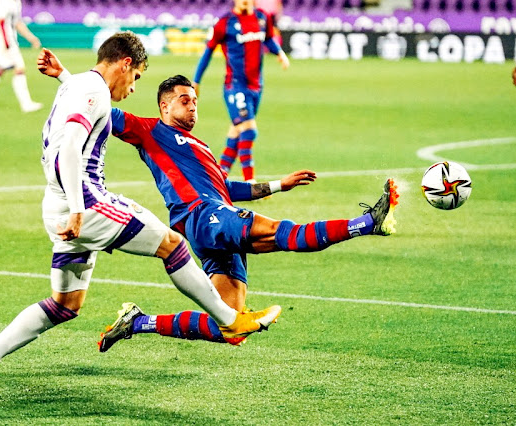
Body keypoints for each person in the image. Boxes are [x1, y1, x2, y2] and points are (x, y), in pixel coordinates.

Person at [0, 33, 281, 408]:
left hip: (58, 206)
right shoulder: (92, 90)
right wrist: (80, 208)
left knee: (65, 305)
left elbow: (87, 109)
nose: (134, 85)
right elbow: (69, 147)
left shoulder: (80, 85)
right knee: (172, 245)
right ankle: (230, 319)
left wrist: (63, 75)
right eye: (138, 76)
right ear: (125, 63)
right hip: (86, 202)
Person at [38, 52, 399, 352]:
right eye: (184, 100)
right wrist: (64, 76)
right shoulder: (148, 130)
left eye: (195, 101)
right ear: (164, 105)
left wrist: (278, 184)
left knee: (231, 324)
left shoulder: (201, 147)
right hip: (201, 217)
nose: (193, 107)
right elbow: (95, 104)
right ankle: (368, 223)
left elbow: (226, 188)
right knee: (279, 233)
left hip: (214, 216)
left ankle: (139, 322)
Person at [192, 0, 290, 183]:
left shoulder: (262, 17)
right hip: (235, 86)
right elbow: (208, 52)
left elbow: (268, 38)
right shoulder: (225, 23)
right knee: (249, 131)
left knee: (237, 132)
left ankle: (218, 179)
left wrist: (280, 53)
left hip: (256, 86)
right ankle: (249, 180)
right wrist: (196, 80)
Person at [0, 0, 42, 113]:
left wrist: (31, 38)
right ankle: (26, 104)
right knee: (19, 69)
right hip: (4, 42)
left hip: (9, 41)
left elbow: (17, 23)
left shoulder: (16, 3)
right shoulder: (3, 3)